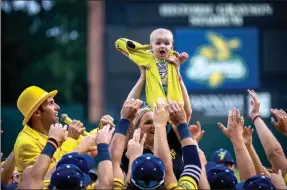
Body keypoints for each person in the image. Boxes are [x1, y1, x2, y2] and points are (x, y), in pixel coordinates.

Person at [13, 86, 84, 176]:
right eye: (51, 103)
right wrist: (71, 140)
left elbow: (90, 142)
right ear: (37, 113)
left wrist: (102, 128)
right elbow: (49, 176)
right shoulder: (26, 144)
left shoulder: (54, 131)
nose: (57, 107)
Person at [115, 28, 189, 111]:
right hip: (156, 106)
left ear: (171, 48)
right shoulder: (147, 58)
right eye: (158, 43)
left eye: (166, 43)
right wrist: (142, 47)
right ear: (151, 46)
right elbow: (119, 43)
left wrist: (181, 59)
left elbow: (179, 69)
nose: (162, 46)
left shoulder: (173, 58)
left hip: (175, 105)